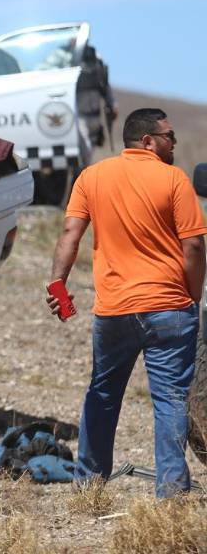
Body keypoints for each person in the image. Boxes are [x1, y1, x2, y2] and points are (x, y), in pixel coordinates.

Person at [47, 108, 206, 498]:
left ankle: (89, 485)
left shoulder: (92, 176)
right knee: (170, 400)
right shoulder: (174, 179)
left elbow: (70, 233)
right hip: (170, 308)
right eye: (169, 136)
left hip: (115, 310)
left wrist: (58, 287)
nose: (174, 143)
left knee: (102, 394)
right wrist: (193, 295)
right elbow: (194, 246)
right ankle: (172, 494)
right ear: (147, 140)